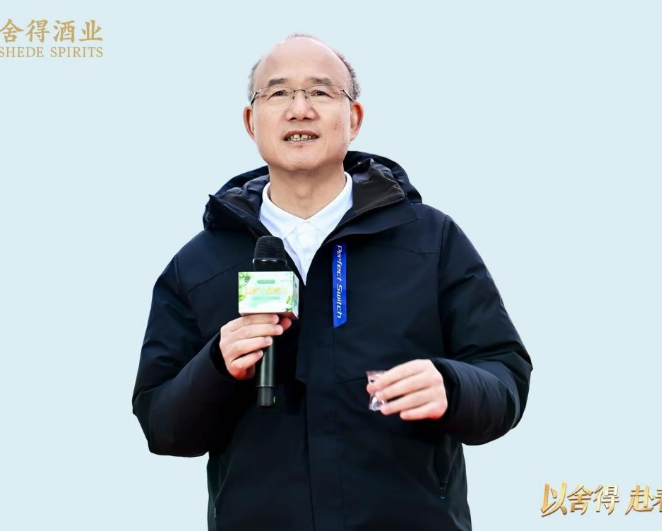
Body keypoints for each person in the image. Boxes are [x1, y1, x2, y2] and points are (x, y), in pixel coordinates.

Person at [132, 33, 533, 531]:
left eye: (320, 92)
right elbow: (161, 426)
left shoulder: (431, 241)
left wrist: (453, 386)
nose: (299, 109)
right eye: (278, 92)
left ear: (354, 118)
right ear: (251, 121)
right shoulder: (197, 264)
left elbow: (505, 376)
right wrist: (216, 365)